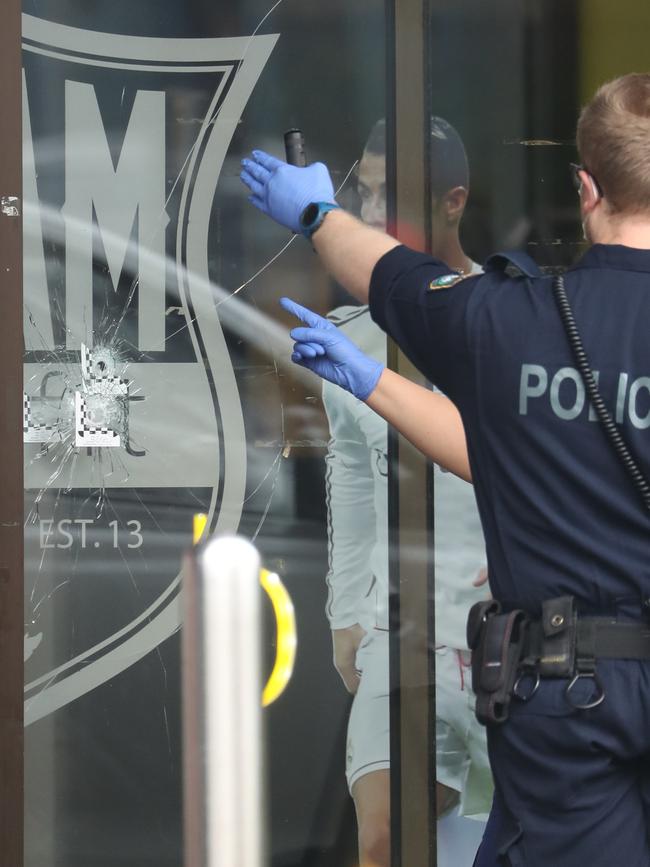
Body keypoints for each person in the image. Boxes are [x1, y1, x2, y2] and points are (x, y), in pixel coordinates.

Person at [241, 72, 650, 866]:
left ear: (585, 187)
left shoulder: (521, 322)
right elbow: (489, 450)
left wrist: (318, 214)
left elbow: (388, 274)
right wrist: (373, 383)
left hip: (570, 702)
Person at [323, 117, 491, 867]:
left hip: (505, 632)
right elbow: (352, 471)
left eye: (393, 192)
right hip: (402, 633)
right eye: (364, 187)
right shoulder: (351, 332)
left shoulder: (509, 321)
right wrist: (343, 612)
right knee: (384, 841)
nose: (370, 207)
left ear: (453, 201)